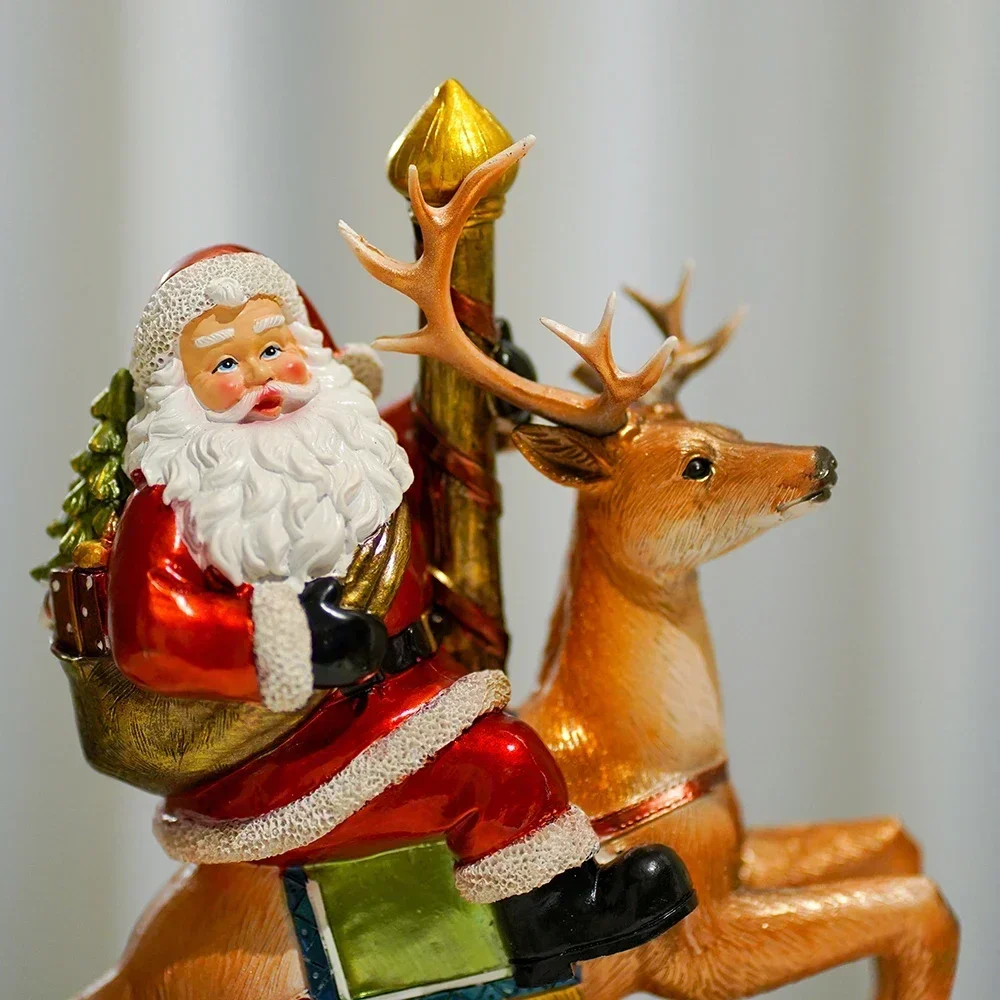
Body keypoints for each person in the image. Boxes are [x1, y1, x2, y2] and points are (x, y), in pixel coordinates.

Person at [108, 246, 695, 982]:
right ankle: (550, 915)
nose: (258, 375)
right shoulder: (176, 500)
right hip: (300, 744)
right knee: (499, 763)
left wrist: (475, 402)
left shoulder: (345, 444)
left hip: (404, 695)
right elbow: (151, 630)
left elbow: (422, 450)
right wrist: (284, 639)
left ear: (309, 351)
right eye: (224, 363)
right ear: (179, 390)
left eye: (271, 348)